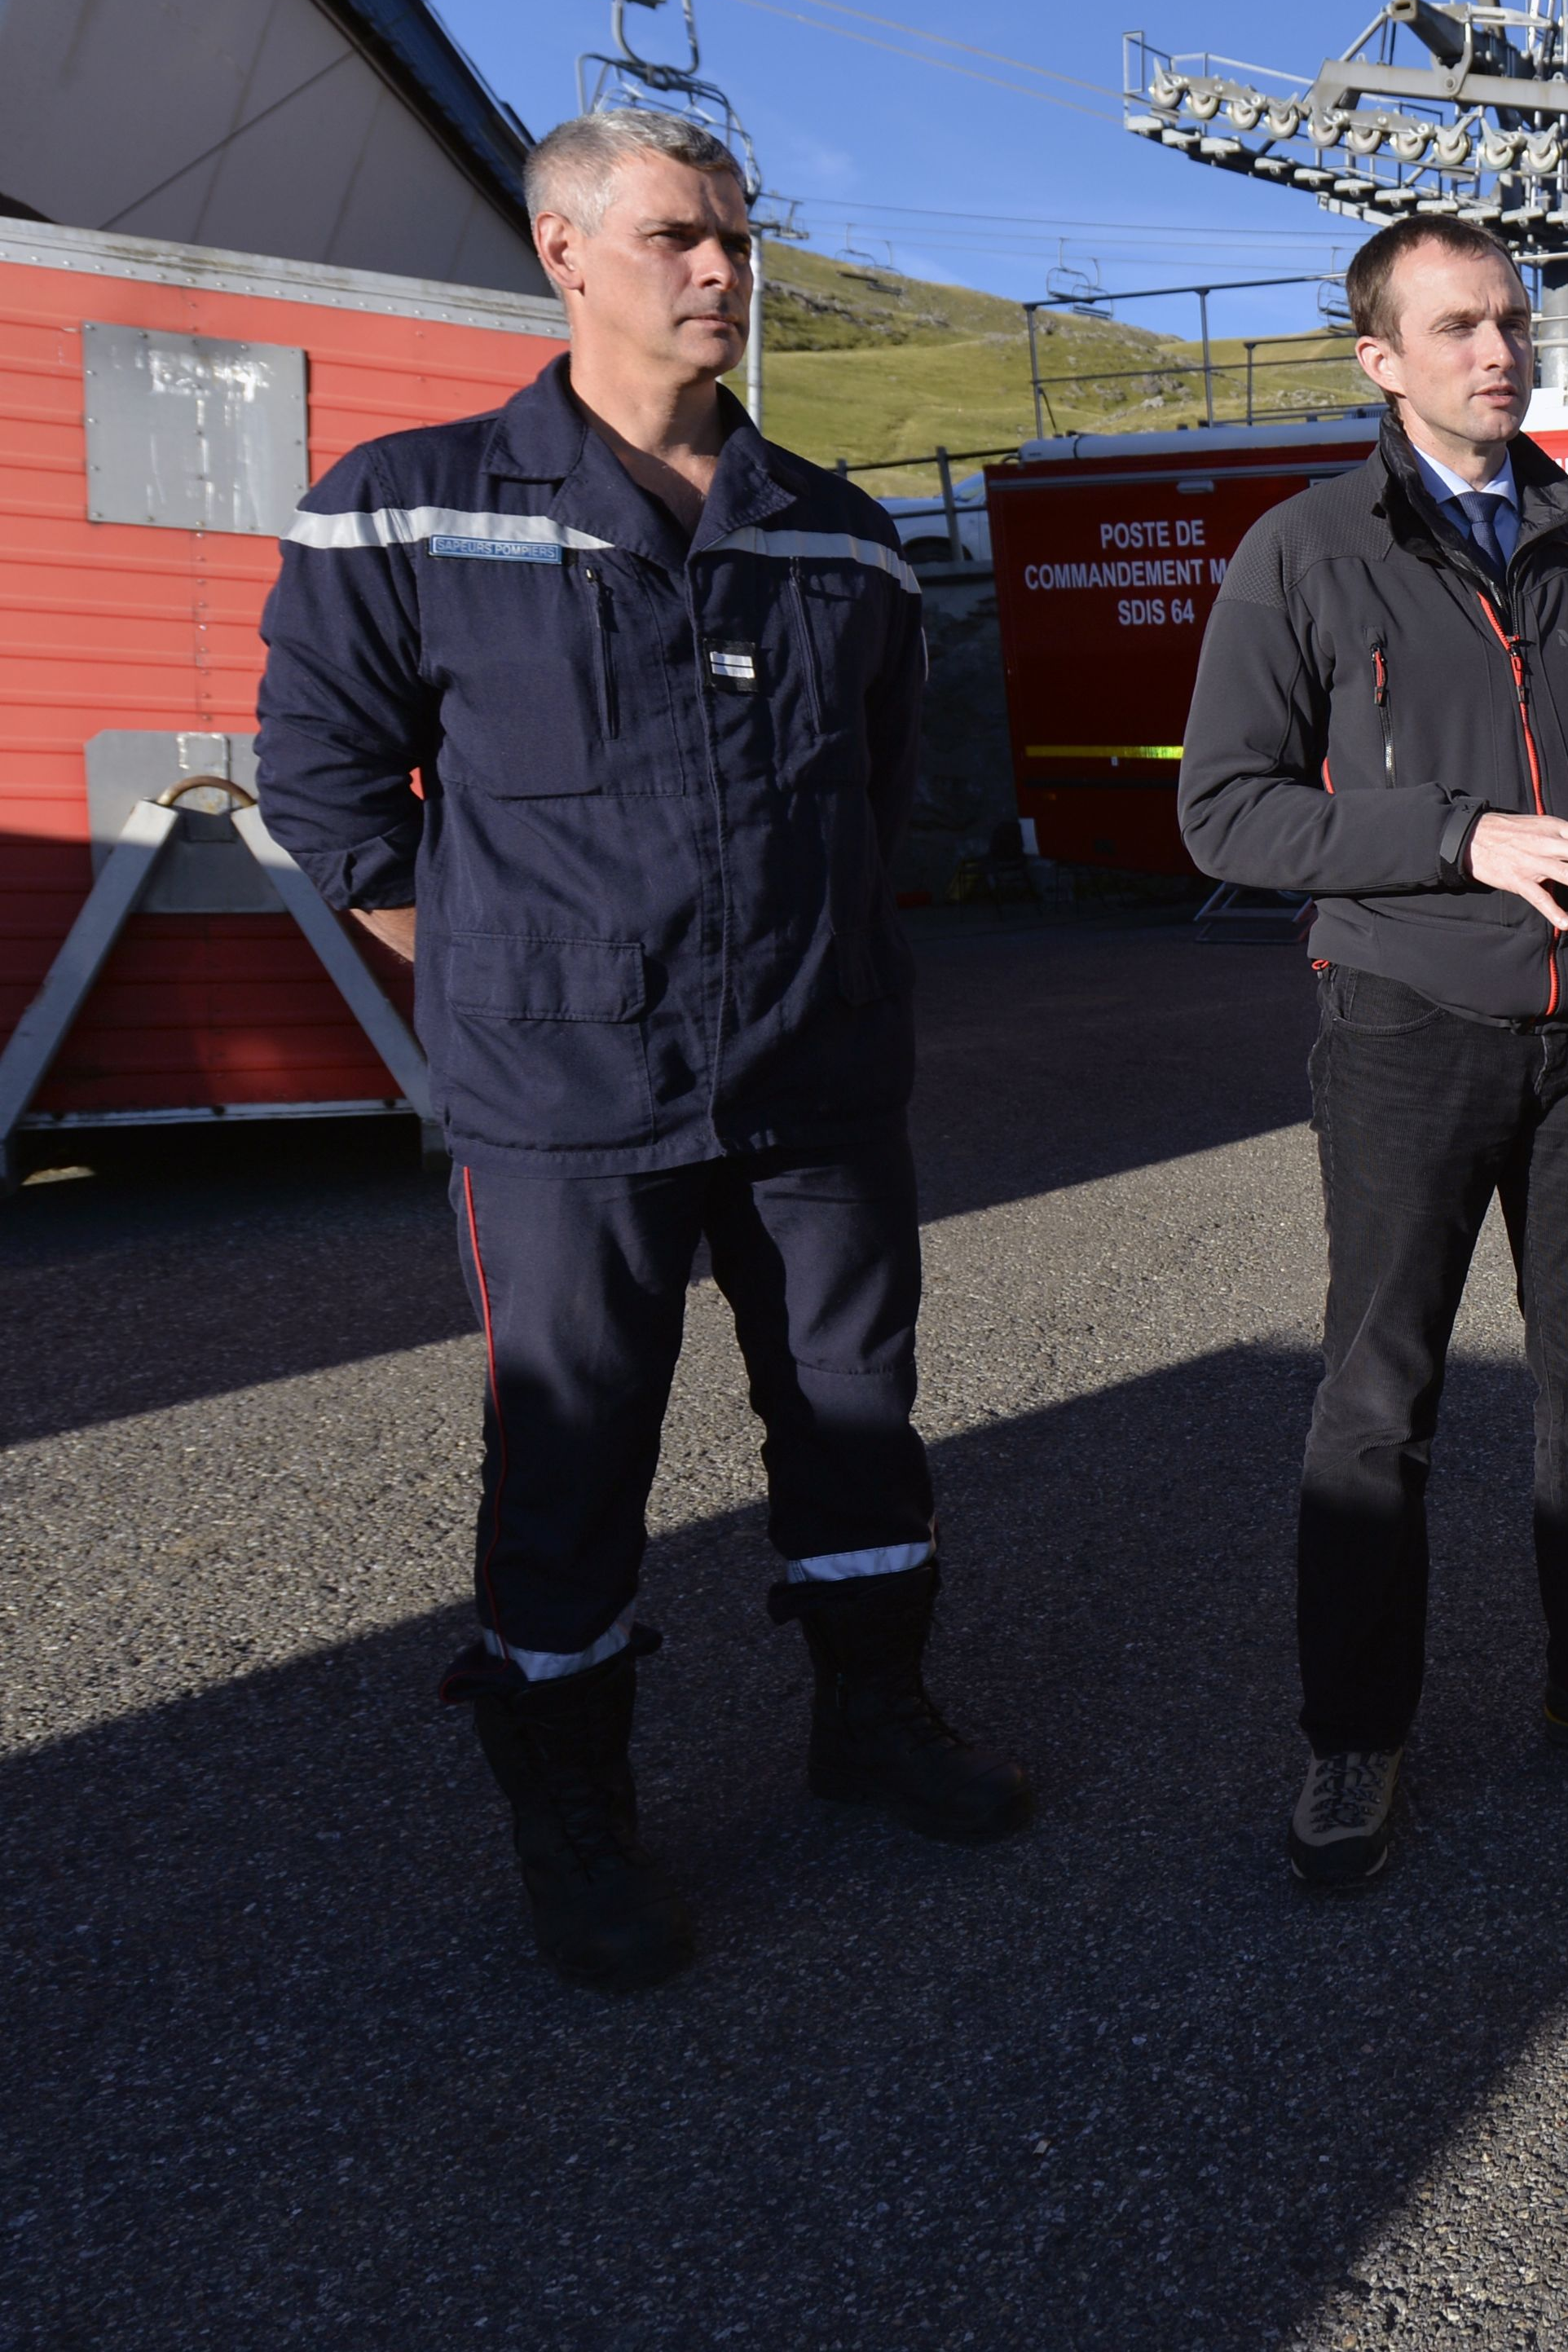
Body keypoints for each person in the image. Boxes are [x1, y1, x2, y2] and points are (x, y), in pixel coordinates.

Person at [254, 108, 1033, 1997]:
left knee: (856, 1415)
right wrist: (521, 977)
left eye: (739, 237)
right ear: (563, 250)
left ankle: (872, 1714)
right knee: (572, 1451)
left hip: (817, 1081)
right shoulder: (405, 508)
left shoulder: (839, 541)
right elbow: (334, 806)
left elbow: (878, 790)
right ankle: (572, 1808)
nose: (723, 270)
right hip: (564, 1102)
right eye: (684, 234)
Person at [1178, 214, 1568, 1896]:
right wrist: (1460, 834)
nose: (1499, 350)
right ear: (1378, 358)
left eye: (1512, 320)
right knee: (1379, 1396)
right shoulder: (1303, 549)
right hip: (1408, 1026)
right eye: (1457, 327)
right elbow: (1223, 806)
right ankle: (1354, 1727)